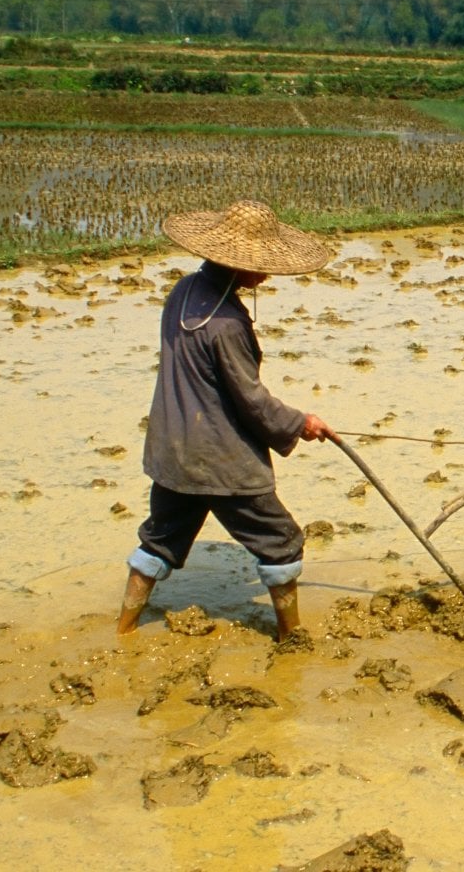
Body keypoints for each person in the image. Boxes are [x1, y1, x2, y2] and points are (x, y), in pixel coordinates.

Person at [117, 199, 337, 641]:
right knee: (282, 541)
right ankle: (290, 638)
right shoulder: (228, 323)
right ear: (234, 265)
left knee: (158, 542)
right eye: (259, 266)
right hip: (221, 458)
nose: (266, 274)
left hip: (175, 449)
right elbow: (250, 400)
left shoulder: (183, 292)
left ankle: (122, 630)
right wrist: (300, 423)